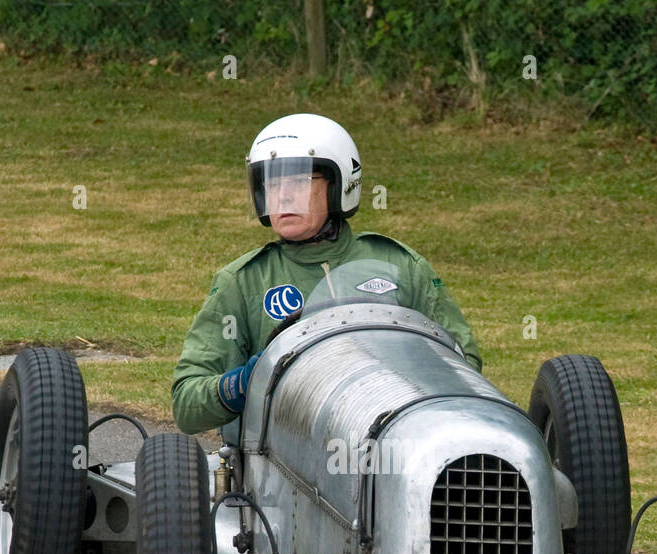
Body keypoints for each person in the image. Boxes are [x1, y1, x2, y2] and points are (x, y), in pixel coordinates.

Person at [169, 113, 482, 435]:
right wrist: (244, 381)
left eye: (298, 181)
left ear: (340, 184)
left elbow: (463, 363)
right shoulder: (243, 281)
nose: (283, 196)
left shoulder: (400, 265)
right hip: (289, 455)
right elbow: (187, 405)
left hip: (395, 442)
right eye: (272, 183)